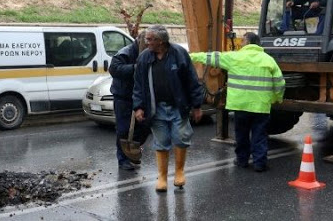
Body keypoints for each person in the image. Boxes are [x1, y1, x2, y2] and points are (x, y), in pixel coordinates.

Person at [189, 32, 285, 172]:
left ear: (246, 42)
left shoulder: (234, 57)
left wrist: (190, 56)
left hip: (240, 105)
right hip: (261, 106)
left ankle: (242, 161)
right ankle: (259, 164)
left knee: (241, 134)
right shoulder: (268, 60)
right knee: (259, 135)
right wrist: (277, 98)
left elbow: (211, 57)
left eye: (242, 41)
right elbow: (280, 83)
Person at [132, 25, 204, 192]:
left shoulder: (179, 54)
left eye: (150, 39)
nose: (147, 42)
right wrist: (138, 107)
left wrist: (197, 106)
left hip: (178, 107)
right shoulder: (144, 58)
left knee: (180, 138)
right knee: (161, 141)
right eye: (147, 39)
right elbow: (138, 85)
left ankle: (179, 172)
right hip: (156, 109)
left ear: (161, 41)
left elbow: (192, 81)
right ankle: (162, 177)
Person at [109, 31, 150, 171]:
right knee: (123, 129)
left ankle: (132, 152)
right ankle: (123, 159)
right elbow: (114, 69)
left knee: (144, 126)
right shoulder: (125, 53)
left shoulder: (149, 52)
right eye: (147, 42)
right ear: (139, 41)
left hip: (140, 96)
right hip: (123, 96)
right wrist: (134, 68)